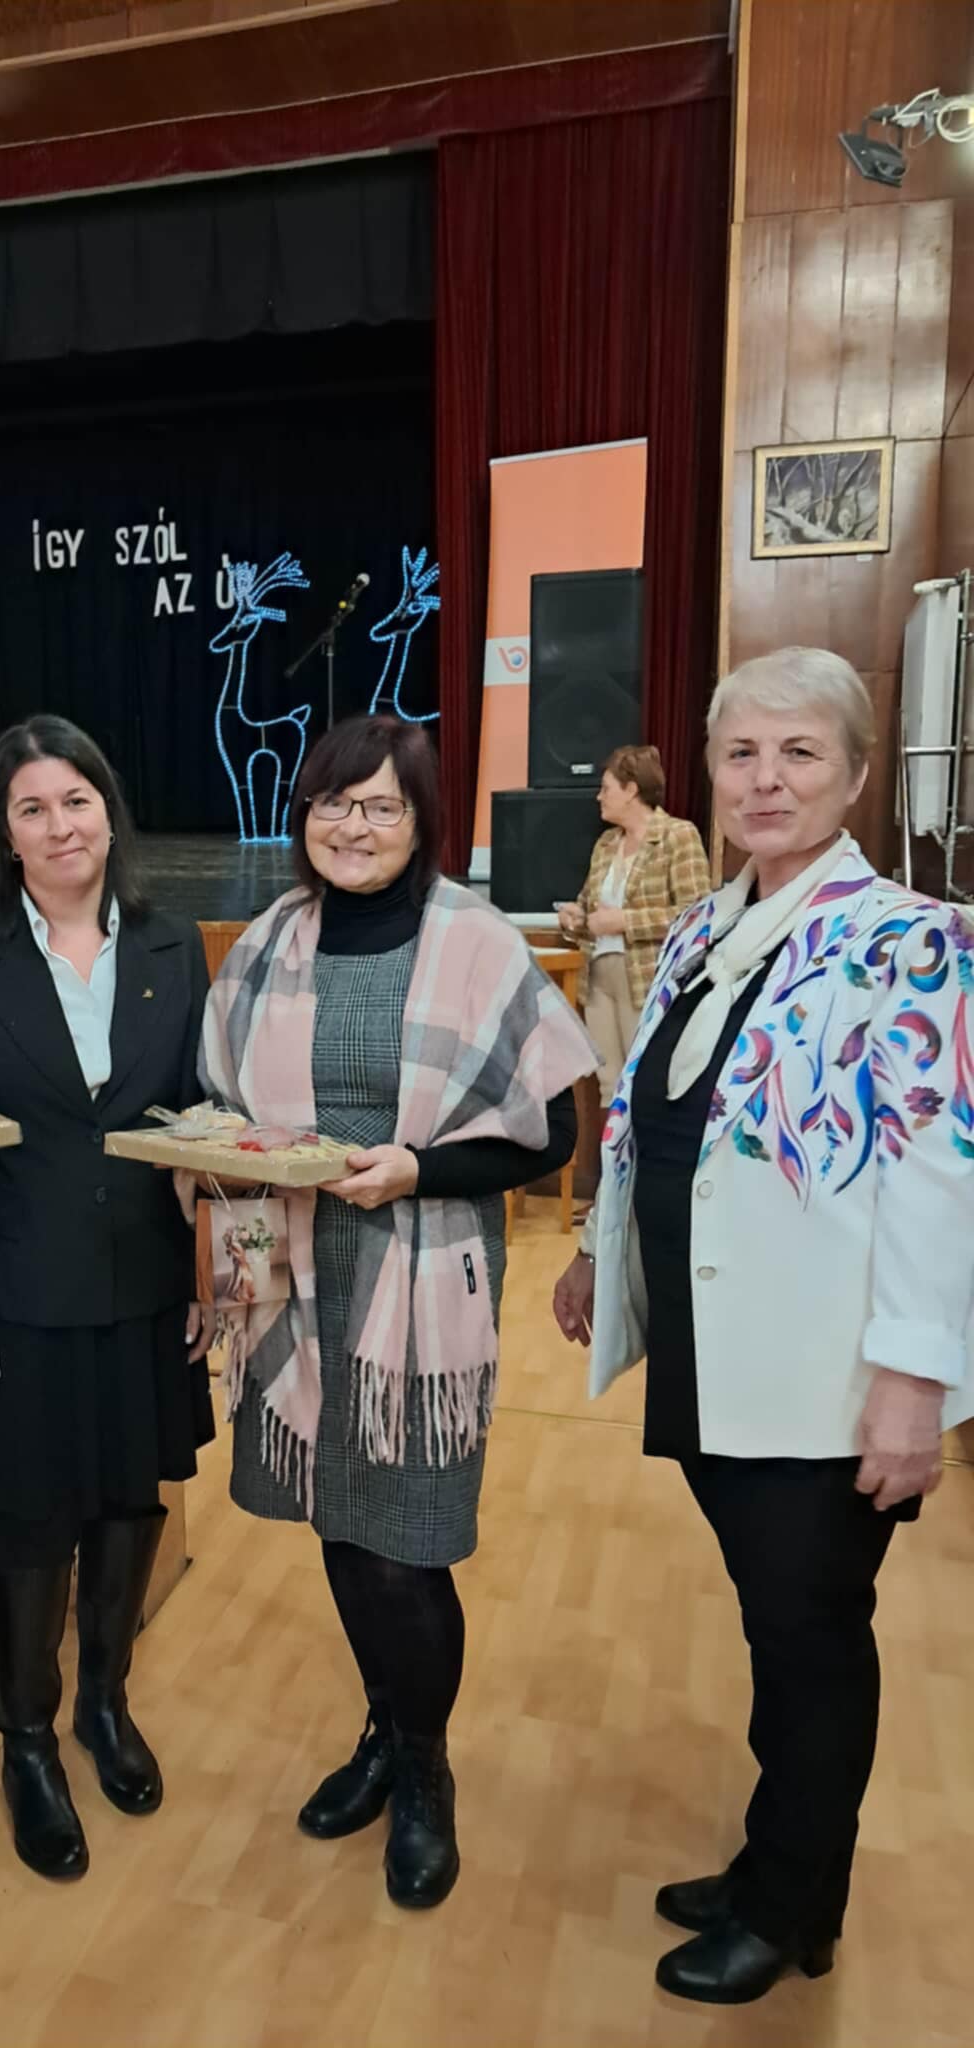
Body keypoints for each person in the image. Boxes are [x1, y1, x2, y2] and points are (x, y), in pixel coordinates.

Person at [552, 648, 974, 2005]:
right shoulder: (706, 924)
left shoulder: (915, 939)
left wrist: (914, 1381)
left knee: (809, 1635)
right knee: (774, 1621)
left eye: (800, 753)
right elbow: (651, 1110)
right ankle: (773, 1861)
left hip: (826, 1371)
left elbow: (940, 1169)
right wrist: (596, 1250)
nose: (767, 780)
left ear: (857, 775)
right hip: (713, 1345)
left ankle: (795, 1905)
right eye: (742, 753)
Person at [197, 714, 597, 1909]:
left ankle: (425, 1766)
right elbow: (218, 1106)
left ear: (423, 822)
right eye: (333, 801)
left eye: (380, 806)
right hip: (293, 1271)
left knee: (408, 1541)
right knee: (338, 1517)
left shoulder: (475, 942)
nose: (353, 825)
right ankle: (384, 1725)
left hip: (418, 1283)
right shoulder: (269, 942)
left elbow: (551, 1133)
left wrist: (417, 1169)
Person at [0, 717, 213, 1882]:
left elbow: (198, 1124)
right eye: (30, 807)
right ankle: (27, 1740)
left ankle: (105, 1702)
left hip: (145, 1280)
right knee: (33, 1519)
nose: (58, 825)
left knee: (131, 1504)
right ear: (4, 831)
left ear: (108, 809)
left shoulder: (175, 941)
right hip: (18, 1290)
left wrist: (206, 1271)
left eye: (75, 799)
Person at [557, 744, 708, 1104]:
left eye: (606, 788)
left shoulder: (677, 836)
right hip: (598, 979)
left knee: (644, 1082)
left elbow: (696, 913)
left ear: (631, 790)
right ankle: (612, 1144)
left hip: (646, 977)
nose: (599, 797)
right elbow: (589, 907)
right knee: (608, 1085)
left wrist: (625, 921)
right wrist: (574, 918)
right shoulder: (606, 844)